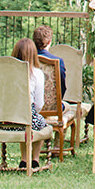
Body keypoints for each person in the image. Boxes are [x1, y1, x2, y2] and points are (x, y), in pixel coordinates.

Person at [10, 37, 49, 171]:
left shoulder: (6, 73)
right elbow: (38, 104)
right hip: (27, 119)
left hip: (6, 120)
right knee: (39, 121)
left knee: (24, 119)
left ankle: (24, 159)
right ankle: (35, 159)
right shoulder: (36, 74)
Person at [32, 24, 66, 98]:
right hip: (54, 107)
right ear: (49, 42)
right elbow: (62, 87)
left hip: (30, 106)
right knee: (68, 107)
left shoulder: (27, 59)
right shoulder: (58, 61)